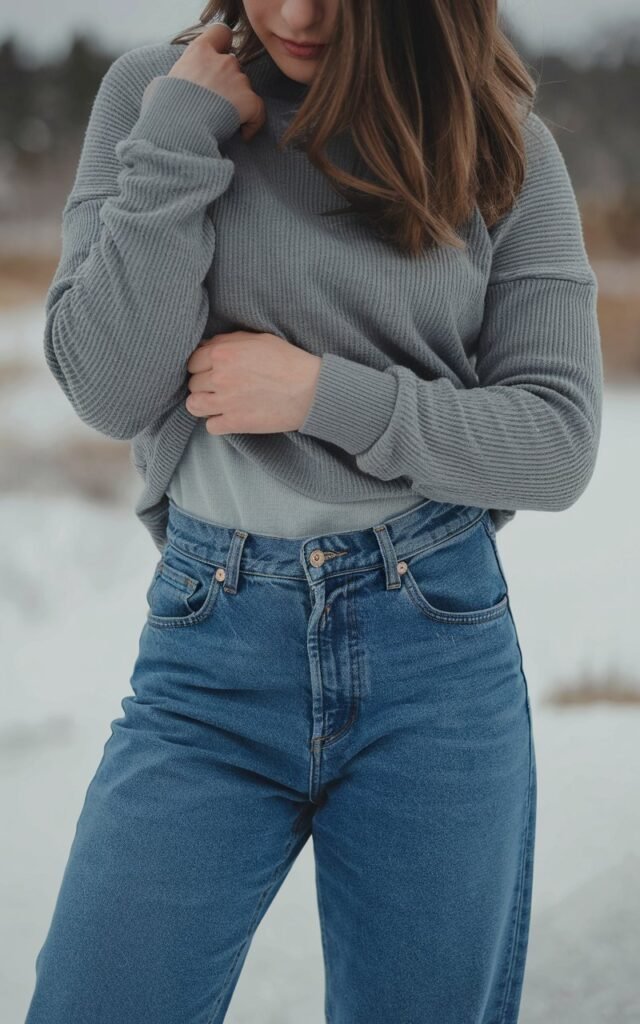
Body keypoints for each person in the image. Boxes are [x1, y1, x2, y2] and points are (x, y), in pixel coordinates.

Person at [25, 2, 603, 1022]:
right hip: (210, 654)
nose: (294, 11)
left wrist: (319, 394)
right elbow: (111, 388)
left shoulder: (496, 141)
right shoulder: (154, 101)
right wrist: (176, 140)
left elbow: (555, 441)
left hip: (433, 650)